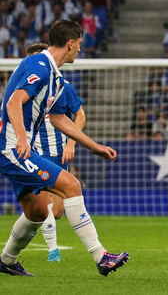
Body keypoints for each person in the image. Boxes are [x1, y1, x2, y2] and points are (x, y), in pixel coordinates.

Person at [0, 20, 127, 276]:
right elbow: (14, 102)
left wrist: (93, 146)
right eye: (79, 45)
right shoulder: (40, 65)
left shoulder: (56, 78)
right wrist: (23, 139)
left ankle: (6, 260)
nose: (79, 50)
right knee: (71, 185)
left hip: (21, 149)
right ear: (70, 44)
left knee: (37, 211)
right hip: (12, 148)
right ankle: (101, 257)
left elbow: (59, 118)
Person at [25, 43, 85, 263]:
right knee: (44, 205)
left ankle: (27, 226)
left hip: (59, 153)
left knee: (56, 210)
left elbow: (80, 116)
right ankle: (53, 251)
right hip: (35, 152)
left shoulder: (62, 86)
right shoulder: (23, 88)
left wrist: (71, 143)